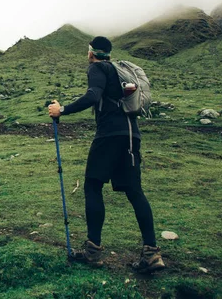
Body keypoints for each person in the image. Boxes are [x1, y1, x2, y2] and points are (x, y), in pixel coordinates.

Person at [48, 36, 165, 273]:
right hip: (132, 136)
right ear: (109, 53)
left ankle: (93, 251)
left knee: (92, 186)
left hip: (109, 136)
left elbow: (93, 96)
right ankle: (152, 253)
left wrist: (61, 109)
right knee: (134, 191)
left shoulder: (97, 68)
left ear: (91, 53)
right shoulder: (120, 71)